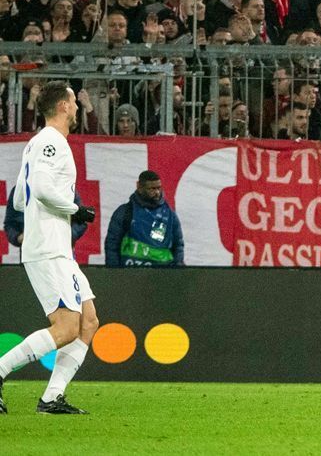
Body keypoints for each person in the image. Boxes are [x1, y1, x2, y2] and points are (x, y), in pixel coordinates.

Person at [0, 81, 100, 414]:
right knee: (67, 327)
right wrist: (76, 209)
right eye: (73, 102)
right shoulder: (51, 142)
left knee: (87, 321)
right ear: (62, 106)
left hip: (57, 247)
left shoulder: (37, 144)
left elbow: (18, 197)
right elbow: (40, 188)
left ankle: (52, 397)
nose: (76, 107)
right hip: (48, 247)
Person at [103, 171, 185, 267]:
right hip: (131, 275)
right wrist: (114, 272)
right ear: (139, 187)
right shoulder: (125, 212)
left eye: (159, 188)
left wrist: (178, 268)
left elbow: (178, 244)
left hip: (163, 276)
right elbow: (112, 244)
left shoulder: (170, 214)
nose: (157, 192)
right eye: (152, 189)